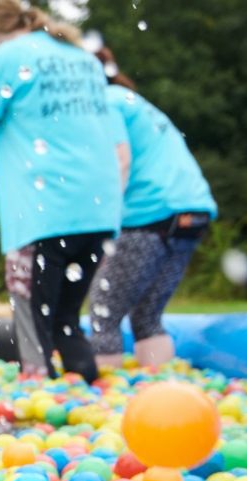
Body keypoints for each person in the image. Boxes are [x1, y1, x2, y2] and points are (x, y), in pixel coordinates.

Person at [0, 0, 122, 383]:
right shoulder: (82, 58)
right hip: (98, 211)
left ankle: (38, 414)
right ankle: (91, 405)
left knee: (34, 334)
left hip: (43, 213)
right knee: (66, 321)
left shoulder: (4, 59)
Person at [88, 47, 217, 369]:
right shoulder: (133, 101)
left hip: (152, 214)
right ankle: (160, 398)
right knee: (147, 315)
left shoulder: (104, 102)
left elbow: (121, 160)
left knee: (104, 313)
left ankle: (104, 408)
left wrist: (103, 220)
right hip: (192, 213)